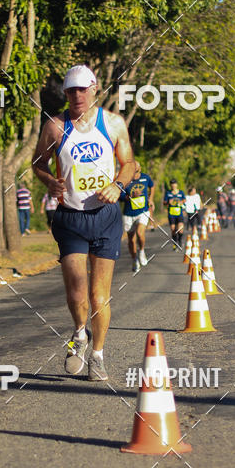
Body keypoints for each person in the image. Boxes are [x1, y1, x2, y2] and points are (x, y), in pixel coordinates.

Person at [33, 64, 135, 381]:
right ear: (65, 94)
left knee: (98, 297)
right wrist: (49, 180)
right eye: (70, 91)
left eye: (82, 89)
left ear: (94, 89)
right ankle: (80, 333)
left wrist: (118, 185)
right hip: (70, 218)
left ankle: (98, 356)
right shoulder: (54, 127)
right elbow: (37, 163)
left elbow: (130, 162)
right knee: (77, 295)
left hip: (105, 218)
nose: (77, 95)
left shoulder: (114, 124)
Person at [120, 161, 154, 273]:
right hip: (128, 213)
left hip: (143, 212)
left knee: (140, 233)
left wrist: (151, 198)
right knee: (131, 239)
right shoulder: (125, 180)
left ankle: (142, 251)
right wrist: (130, 196)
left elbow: (152, 186)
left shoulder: (146, 178)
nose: (135, 172)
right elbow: (119, 196)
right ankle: (134, 259)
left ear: (139, 169)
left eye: (137, 170)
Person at [163, 178, 186, 248]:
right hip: (171, 214)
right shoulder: (168, 193)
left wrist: (181, 202)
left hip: (179, 213)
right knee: (173, 229)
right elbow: (164, 203)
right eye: (172, 184)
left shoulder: (181, 192)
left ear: (177, 185)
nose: (173, 185)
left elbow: (184, 200)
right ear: (170, 185)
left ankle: (180, 240)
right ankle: (175, 242)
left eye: (174, 184)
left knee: (180, 229)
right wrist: (168, 202)